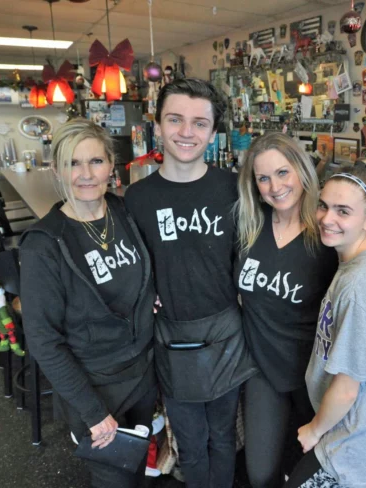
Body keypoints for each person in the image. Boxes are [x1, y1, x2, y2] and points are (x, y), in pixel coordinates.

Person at [236, 134, 366, 488]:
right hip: (264, 369)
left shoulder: (330, 238)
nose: (274, 186)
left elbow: (365, 311)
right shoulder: (248, 227)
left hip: (317, 377)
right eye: (263, 177)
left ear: (301, 172)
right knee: (260, 471)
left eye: (283, 172)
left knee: (302, 466)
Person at [124, 78, 257, 488]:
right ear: (158, 125)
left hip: (225, 333)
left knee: (224, 437)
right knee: (190, 442)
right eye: (175, 119)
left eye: (200, 123)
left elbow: (253, 259)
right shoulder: (137, 198)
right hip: (171, 338)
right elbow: (131, 269)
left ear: (213, 132)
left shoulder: (234, 190)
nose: (187, 132)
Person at [19, 118, 157, 488]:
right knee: (114, 481)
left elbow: (145, 273)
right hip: (95, 388)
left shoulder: (123, 212)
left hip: (143, 376)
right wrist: (94, 412)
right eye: (72, 163)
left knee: (144, 473)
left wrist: (150, 298)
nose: (85, 174)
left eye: (95, 161)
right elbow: (44, 341)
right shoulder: (44, 244)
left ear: (112, 165)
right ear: (56, 169)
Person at [285, 159, 366, 488]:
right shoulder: (363, 263)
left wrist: (315, 430)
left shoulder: (358, 285)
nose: (326, 218)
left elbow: (348, 388)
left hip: (347, 445)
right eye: (324, 206)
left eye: (342, 211)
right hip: (344, 434)